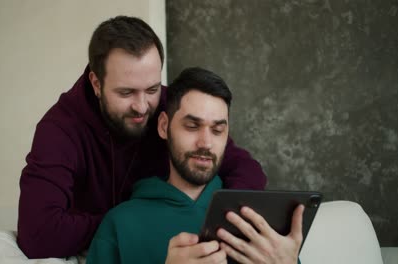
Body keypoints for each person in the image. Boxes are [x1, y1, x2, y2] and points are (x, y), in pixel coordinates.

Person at [17, 16, 266, 259]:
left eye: (152, 89)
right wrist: (133, 222)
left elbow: (246, 168)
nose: (142, 106)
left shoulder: (170, 108)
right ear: (96, 83)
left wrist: (220, 217)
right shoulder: (60, 129)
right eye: (126, 92)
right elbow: (38, 234)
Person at [86, 67, 303, 264]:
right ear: (164, 126)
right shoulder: (120, 224)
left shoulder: (258, 222)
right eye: (192, 126)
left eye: (217, 130)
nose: (206, 143)